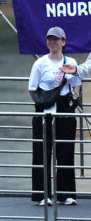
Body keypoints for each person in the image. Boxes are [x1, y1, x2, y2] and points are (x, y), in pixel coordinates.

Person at [28, 26, 81, 206]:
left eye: (56, 39)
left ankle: (65, 194)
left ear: (63, 42)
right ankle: (42, 195)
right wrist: (44, 103)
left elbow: (76, 85)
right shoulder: (40, 63)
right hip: (44, 114)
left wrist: (72, 99)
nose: (52, 42)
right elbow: (32, 89)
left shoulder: (71, 61)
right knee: (42, 153)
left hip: (65, 112)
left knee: (65, 152)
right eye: (50, 39)